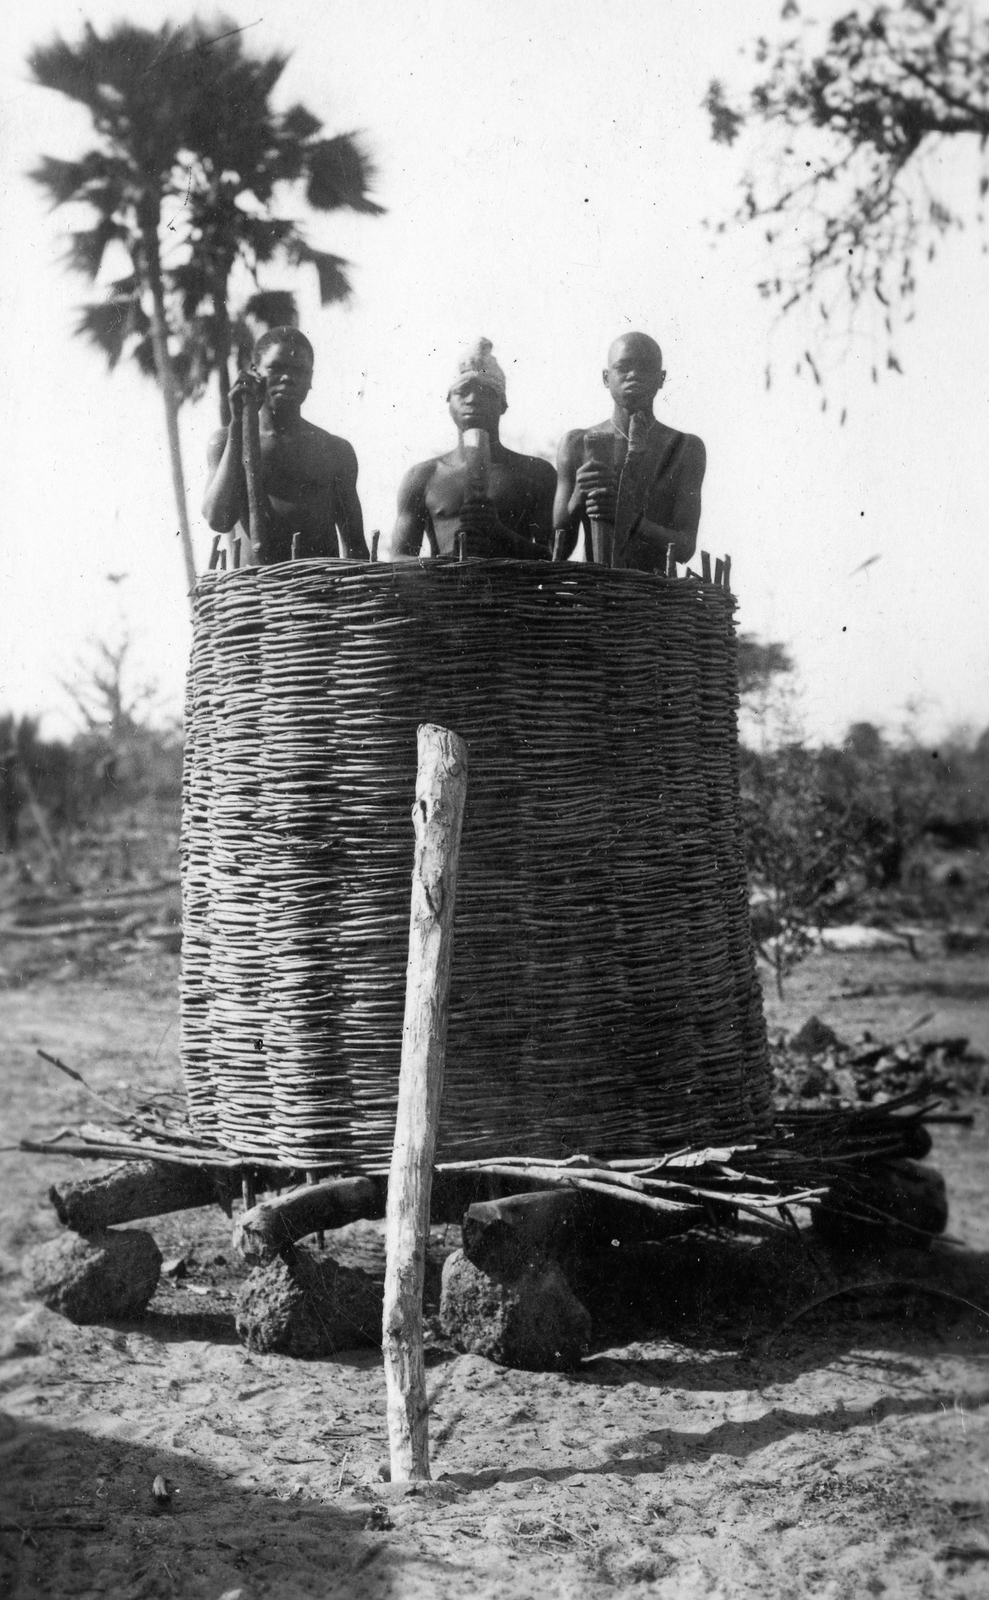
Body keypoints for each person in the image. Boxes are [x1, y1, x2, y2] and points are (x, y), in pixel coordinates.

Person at [202, 327, 367, 564]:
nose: (288, 377)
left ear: (310, 378)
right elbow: (218, 519)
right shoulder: (226, 441)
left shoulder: (335, 450)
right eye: (276, 368)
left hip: (324, 592)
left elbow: (355, 545)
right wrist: (239, 426)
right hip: (255, 594)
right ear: (254, 373)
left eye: (299, 370)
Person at [385, 339, 555, 560]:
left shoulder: (537, 473)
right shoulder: (422, 476)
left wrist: (500, 535)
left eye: (486, 392)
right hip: (444, 593)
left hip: (512, 592)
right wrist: (446, 564)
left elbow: (554, 556)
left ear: (503, 404)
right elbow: (398, 559)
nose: (473, 399)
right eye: (463, 391)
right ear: (449, 402)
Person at [553, 332, 705, 570]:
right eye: (623, 367)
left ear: (661, 378)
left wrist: (630, 521)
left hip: (656, 597)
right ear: (606, 377)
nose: (633, 375)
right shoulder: (576, 444)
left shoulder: (685, 447)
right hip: (592, 596)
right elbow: (557, 550)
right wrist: (576, 498)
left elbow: (685, 548)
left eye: (645, 368)